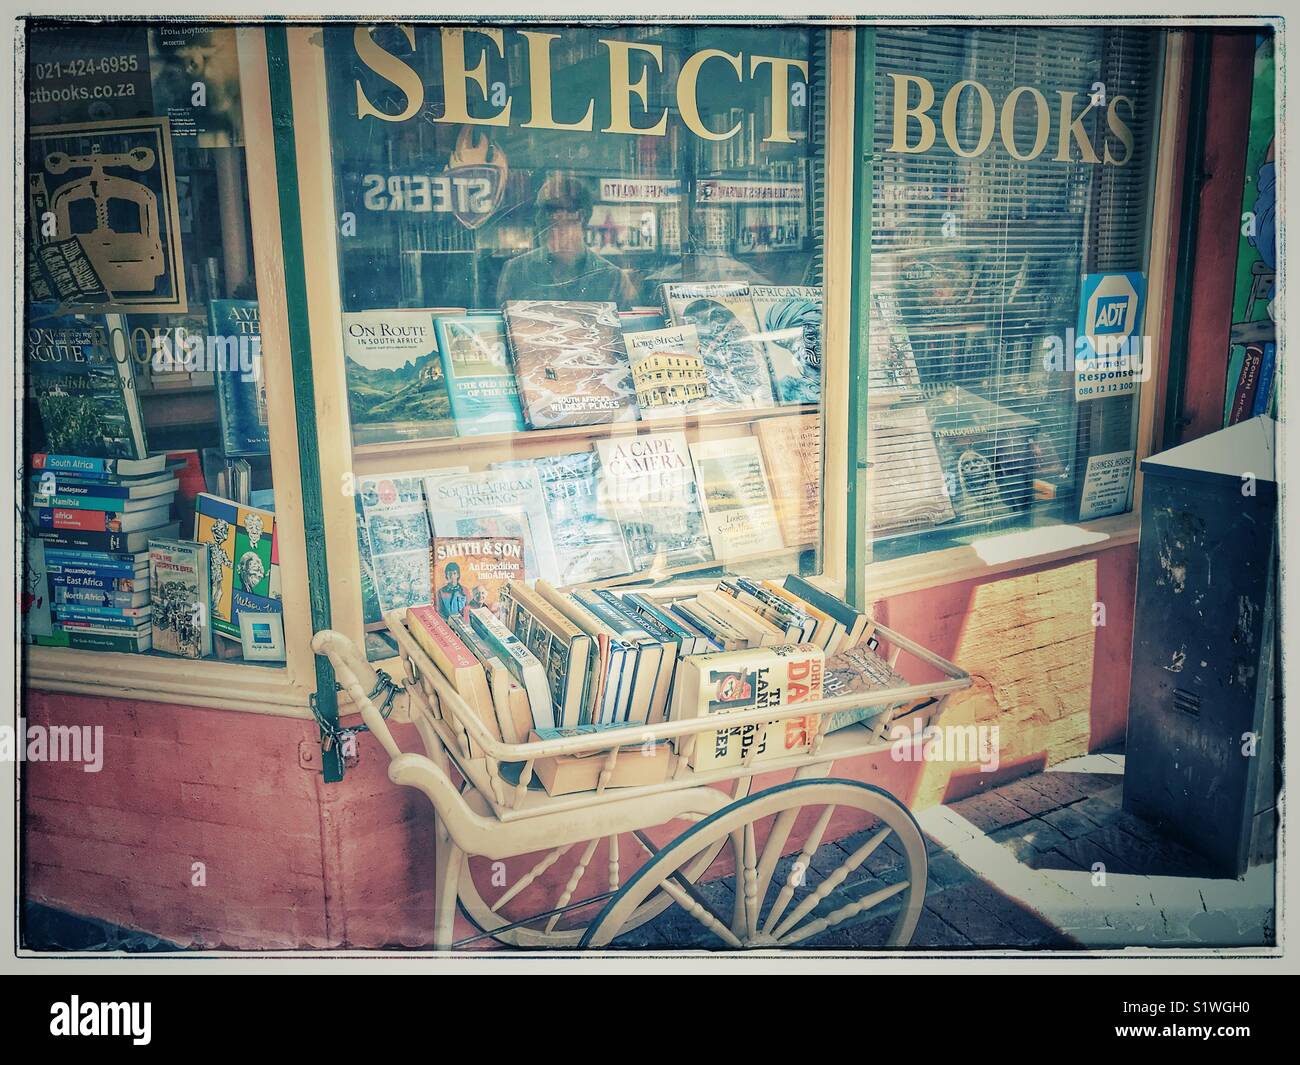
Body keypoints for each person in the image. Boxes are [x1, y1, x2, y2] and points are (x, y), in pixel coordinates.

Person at [496, 174, 633, 307]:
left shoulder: (612, 279)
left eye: (550, 209)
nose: (539, 219)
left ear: (580, 215)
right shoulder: (516, 271)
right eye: (538, 210)